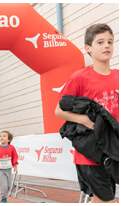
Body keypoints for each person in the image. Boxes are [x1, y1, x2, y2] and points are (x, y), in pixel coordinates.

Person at [55, 23, 118, 203]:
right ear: (88, 48)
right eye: (100, 42)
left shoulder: (118, 76)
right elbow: (59, 110)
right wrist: (85, 120)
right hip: (89, 153)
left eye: (110, 42)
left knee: (109, 195)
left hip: (113, 147)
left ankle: (86, 196)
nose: (106, 45)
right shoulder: (80, 78)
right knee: (106, 198)